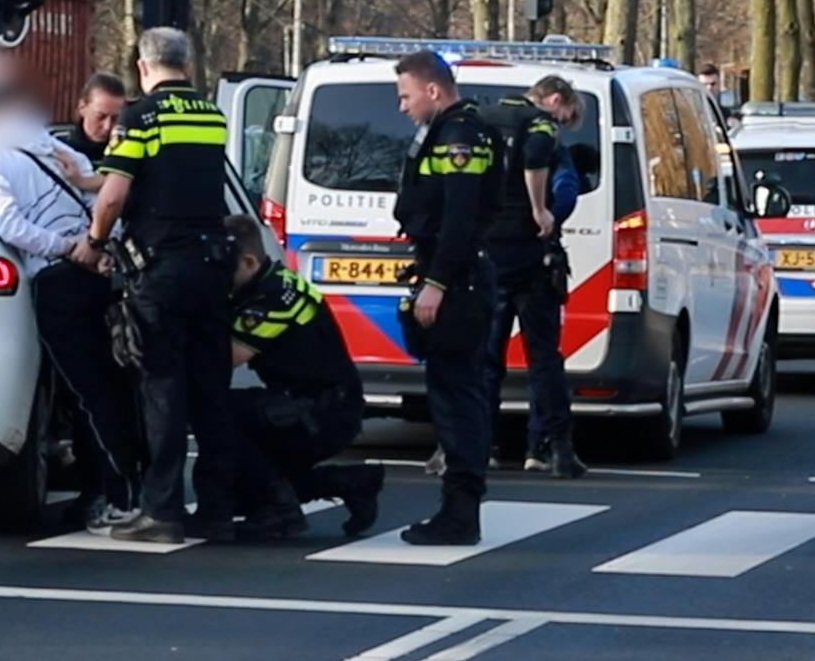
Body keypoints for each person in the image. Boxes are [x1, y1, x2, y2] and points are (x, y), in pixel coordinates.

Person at [85, 28, 296, 545]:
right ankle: (217, 508)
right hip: (212, 265)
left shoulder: (141, 118)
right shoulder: (210, 117)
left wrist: (94, 240)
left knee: (162, 390)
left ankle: (161, 510)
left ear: (142, 66)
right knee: (209, 389)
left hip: (163, 267)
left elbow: (115, 195)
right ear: (189, 64)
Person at [0, 59, 143, 527]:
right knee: (109, 389)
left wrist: (68, 248)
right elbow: (106, 207)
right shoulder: (61, 154)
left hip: (56, 280)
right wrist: (96, 247)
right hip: (96, 278)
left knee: (87, 394)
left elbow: (9, 226)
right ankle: (125, 485)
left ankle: (116, 494)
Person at [392, 50, 499, 546]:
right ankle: (458, 510)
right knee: (453, 393)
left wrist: (436, 283)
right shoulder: (450, 129)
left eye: (406, 96)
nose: (403, 107)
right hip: (455, 277)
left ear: (433, 90)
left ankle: (460, 514)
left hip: (459, 284)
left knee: (458, 399)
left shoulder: (459, 136)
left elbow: (458, 218)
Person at [221, 214, 385, 538]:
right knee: (236, 496)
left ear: (250, 261)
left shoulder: (272, 299)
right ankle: (349, 482)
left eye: (224, 270)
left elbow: (227, 358)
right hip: (314, 404)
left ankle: (281, 511)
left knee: (218, 414)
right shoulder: (268, 281)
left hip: (322, 412)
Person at [478, 75, 585, 479]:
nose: (563, 124)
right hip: (531, 256)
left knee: (485, 359)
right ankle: (551, 449)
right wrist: (546, 215)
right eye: (566, 115)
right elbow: (566, 188)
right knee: (543, 360)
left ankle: (481, 445)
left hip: (486, 256)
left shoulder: (480, 120)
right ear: (554, 99)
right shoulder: (542, 130)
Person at [59, 71, 131, 165]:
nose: (107, 127)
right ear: (82, 107)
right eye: (100, 117)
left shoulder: (129, 151)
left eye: (115, 119)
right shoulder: (60, 149)